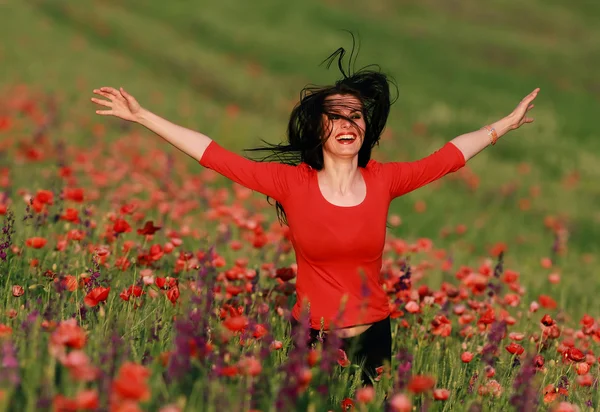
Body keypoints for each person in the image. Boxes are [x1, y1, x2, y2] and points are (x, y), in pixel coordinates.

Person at [91, 46, 539, 386]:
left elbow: (450, 155)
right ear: (319, 128)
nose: (347, 124)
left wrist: (506, 123)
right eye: (335, 117)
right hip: (314, 343)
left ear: (366, 128)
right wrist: (144, 116)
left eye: (355, 116)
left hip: (374, 339)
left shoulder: (384, 180)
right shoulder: (293, 185)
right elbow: (213, 154)